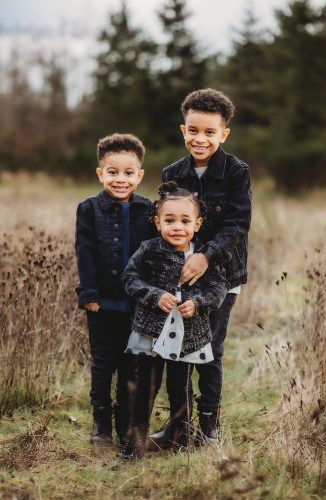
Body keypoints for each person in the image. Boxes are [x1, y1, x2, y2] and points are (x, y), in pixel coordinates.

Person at [154, 88, 252, 446]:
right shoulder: (172, 172)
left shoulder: (236, 172)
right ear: (184, 130)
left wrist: (205, 255)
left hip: (223, 275)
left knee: (209, 348)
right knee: (176, 347)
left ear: (223, 134)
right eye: (193, 130)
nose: (200, 138)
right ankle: (178, 426)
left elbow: (237, 225)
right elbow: (166, 221)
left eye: (210, 132)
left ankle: (209, 427)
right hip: (180, 275)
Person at [119, 181, 229, 459]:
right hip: (151, 333)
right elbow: (130, 278)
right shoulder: (149, 250)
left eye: (185, 221)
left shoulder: (202, 257)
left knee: (180, 388)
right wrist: (154, 295)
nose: (177, 227)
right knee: (146, 388)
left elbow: (218, 287)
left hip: (187, 336)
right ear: (157, 222)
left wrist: (199, 303)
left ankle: (180, 441)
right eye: (169, 220)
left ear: (198, 223)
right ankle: (135, 444)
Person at [75, 133, 156, 446]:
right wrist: (89, 294)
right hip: (103, 304)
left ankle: (125, 426)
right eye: (112, 172)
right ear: (100, 173)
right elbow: (84, 252)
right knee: (103, 365)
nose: (120, 179)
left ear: (139, 175)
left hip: (137, 306)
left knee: (130, 366)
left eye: (128, 173)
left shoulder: (147, 210)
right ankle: (101, 425)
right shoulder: (89, 209)